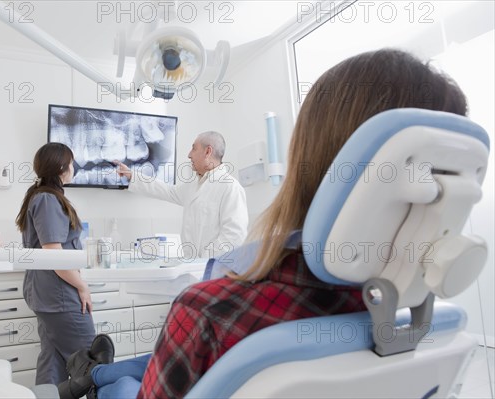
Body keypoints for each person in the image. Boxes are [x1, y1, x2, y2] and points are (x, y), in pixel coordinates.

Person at [58, 49, 469, 399]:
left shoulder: (210, 307)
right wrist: (136, 178)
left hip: (210, 283)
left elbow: (233, 239)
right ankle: (92, 369)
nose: (187, 157)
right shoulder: (417, 322)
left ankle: (92, 377)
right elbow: (170, 194)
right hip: (214, 289)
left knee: (139, 376)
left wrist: (214, 278)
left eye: (193, 151)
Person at [15, 142, 95, 385]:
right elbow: (54, 255)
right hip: (59, 295)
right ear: (61, 166)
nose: (73, 167)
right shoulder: (48, 200)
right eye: (71, 162)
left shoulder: (42, 196)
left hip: (47, 294)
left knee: (52, 360)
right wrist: (82, 286)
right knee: (91, 359)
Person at [115, 131, 248, 259]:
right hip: (192, 266)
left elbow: (235, 236)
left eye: (194, 149)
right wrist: (132, 175)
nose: (189, 155)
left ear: (208, 151)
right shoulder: (194, 186)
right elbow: (167, 191)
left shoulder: (230, 187)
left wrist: (205, 260)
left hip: (213, 269)